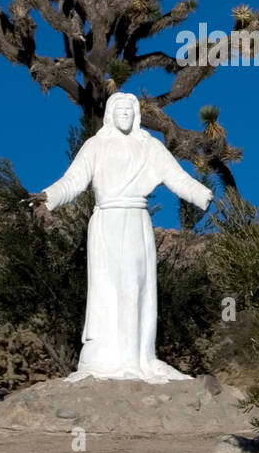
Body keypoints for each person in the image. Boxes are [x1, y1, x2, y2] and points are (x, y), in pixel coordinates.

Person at [28, 91, 213, 382]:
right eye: (120, 110)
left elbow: (176, 177)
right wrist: (47, 197)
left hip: (137, 221)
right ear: (111, 114)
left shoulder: (149, 146)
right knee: (105, 287)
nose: (125, 114)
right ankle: (106, 358)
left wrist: (203, 194)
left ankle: (137, 357)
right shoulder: (96, 146)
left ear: (136, 115)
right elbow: (74, 180)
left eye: (130, 110)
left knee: (135, 285)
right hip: (106, 222)